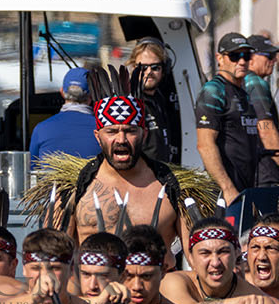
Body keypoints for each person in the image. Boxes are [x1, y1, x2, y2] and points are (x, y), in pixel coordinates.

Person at [68, 93, 192, 264]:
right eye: (111, 131)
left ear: (144, 134)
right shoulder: (73, 187)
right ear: (97, 136)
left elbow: (196, 258)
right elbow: (54, 256)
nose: (121, 140)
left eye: (130, 131)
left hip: (158, 280)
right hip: (95, 280)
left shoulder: (175, 186)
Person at [194, 34, 264, 203]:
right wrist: (227, 188)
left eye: (246, 55)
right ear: (220, 58)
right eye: (234, 56)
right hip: (225, 193)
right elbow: (205, 145)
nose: (242, 61)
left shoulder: (243, 93)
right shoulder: (213, 90)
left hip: (246, 188)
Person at [244, 34, 279, 188]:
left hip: (250, 171)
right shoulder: (256, 83)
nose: (274, 60)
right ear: (251, 58)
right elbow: (266, 130)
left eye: (275, 56)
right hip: (264, 173)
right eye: (269, 56)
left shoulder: (240, 81)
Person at [27, 67, 98, 165]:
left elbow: (32, 169)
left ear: (62, 92)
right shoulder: (104, 130)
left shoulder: (41, 129)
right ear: (92, 96)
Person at [128, 38, 182, 164]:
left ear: (164, 69)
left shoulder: (159, 98)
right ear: (134, 68)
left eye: (155, 67)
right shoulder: (129, 101)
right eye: (143, 67)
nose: (149, 72)